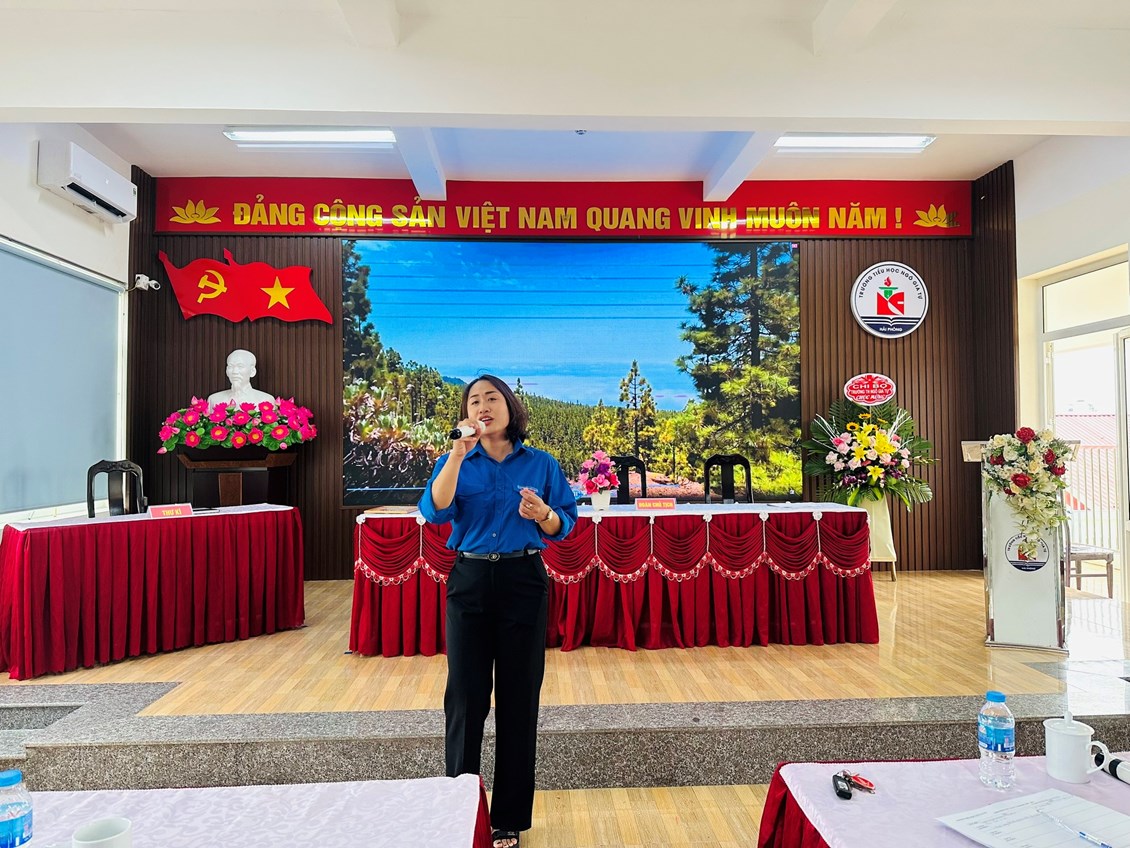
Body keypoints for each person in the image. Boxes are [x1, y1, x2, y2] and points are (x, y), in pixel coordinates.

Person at [419, 375, 577, 848]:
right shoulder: (456, 460)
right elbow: (435, 511)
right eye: (474, 401)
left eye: (492, 398)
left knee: (518, 697)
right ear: (466, 413)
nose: (483, 406)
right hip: (469, 579)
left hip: (522, 579)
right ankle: (461, 811)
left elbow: (564, 524)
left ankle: (507, 818)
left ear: (510, 408)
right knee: (465, 697)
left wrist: (543, 514)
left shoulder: (541, 463)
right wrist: (456, 455)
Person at [206, 349, 276, 407]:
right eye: (230, 366)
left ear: (252, 371)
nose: (234, 372)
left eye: (240, 366)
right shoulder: (214, 400)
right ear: (227, 371)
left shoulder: (266, 400)